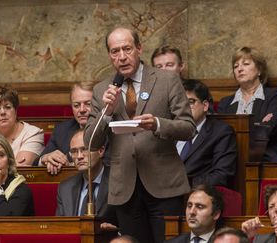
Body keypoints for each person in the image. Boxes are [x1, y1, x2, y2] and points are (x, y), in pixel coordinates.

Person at [84, 26, 196, 243]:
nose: (122, 57)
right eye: (115, 51)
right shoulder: (101, 90)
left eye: (127, 49)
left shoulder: (166, 80)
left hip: (164, 184)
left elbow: (188, 127)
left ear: (139, 48)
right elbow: (90, 141)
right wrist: (107, 111)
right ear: (109, 55)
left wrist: (157, 124)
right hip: (125, 186)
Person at [217, 46, 277, 162]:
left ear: (259, 70)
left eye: (246, 64)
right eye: (236, 66)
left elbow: (270, 129)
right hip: (229, 159)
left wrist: (236, 133)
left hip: (263, 158)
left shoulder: (274, 96)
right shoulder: (225, 103)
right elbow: (218, 135)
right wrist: (260, 124)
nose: (239, 69)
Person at [177, 79, 237, 187]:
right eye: (180, 103)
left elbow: (222, 175)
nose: (184, 108)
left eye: (190, 102)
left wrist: (183, 186)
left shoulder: (220, 132)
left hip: (196, 193)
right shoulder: (170, 131)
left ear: (205, 106)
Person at [56, 129, 117, 229]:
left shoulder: (117, 182)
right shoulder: (65, 188)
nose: (79, 156)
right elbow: (60, 228)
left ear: (101, 151)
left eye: (85, 149)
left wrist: (115, 232)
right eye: (74, 151)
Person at [37, 81, 93, 174]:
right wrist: (46, 158)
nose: (82, 110)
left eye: (88, 104)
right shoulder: (61, 130)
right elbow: (38, 161)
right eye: (76, 105)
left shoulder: (109, 128)